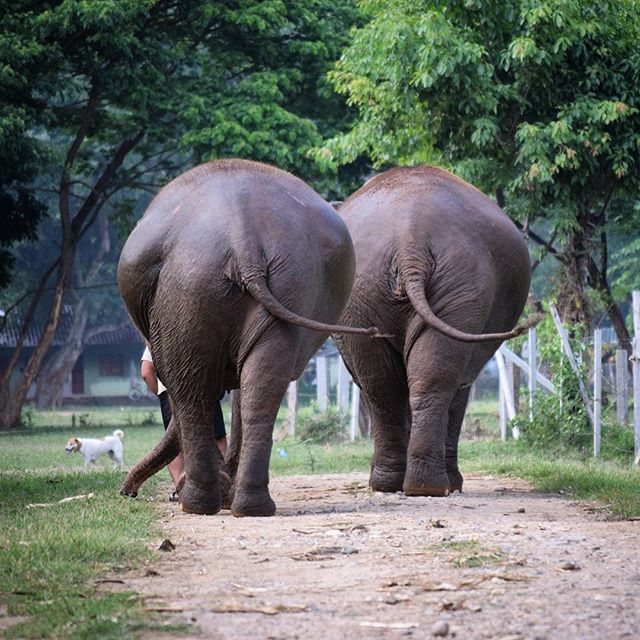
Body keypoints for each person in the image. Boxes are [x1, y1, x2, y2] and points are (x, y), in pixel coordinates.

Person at [140, 346, 228, 500]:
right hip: (204, 388)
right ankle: (218, 482)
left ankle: (179, 488)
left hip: (171, 394)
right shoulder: (204, 330)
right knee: (217, 436)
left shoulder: (158, 334)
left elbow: (146, 372)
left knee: (174, 443)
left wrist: (161, 394)